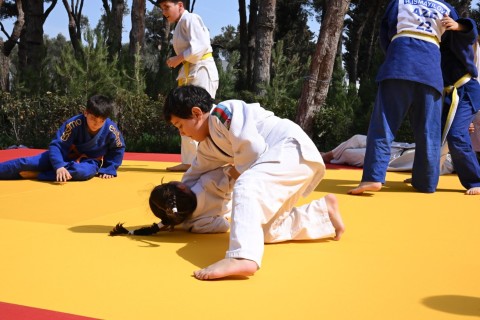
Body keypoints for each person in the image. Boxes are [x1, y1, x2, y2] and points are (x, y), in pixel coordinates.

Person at [163, 85, 345, 280]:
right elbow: (193, 175)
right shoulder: (208, 147)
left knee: (246, 184)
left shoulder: (223, 113)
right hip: (287, 162)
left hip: (290, 148)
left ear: (196, 113)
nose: (181, 133)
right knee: (263, 231)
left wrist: (232, 173)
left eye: (180, 125)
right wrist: (173, 208)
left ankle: (242, 257)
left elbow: (254, 151)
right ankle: (323, 213)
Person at [348, 0, 458, 195]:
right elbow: (456, 41)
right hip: (431, 71)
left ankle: (373, 178)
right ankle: (426, 182)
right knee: (429, 132)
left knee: (384, 125)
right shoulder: (447, 8)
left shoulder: (398, 2)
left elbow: (386, 33)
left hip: (400, 62)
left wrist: (394, 53)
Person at [0, 95, 125, 182]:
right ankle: (53, 170)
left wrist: (109, 168)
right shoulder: (74, 123)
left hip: (89, 161)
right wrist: (59, 165)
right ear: (85, 113)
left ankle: (39, 174)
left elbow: (118, 147)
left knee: (83, 172)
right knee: (26, 163)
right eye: (93, 119)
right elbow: (57, 145)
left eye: (101, 121)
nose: (96, 123)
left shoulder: (111, 129)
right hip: (64, 155)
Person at [159, 0, 219, 172]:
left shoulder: (190, 19)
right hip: (190, 71)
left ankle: (209, 158)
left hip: (201, 70)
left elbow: (199, 46)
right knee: (184, 113)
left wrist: (178, 58)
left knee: (201, 113)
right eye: (162, 9)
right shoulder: (180, 24)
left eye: (167, 7)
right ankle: (190, 161)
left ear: (179, 5)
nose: (164, 12)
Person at [109, 165, 235, 236]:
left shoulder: (192, 225)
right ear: (180, 186)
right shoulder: (208, 181)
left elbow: (224, 225)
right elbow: (233, 173)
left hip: (235, 209)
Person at [437, 15, 480, 195]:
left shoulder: (457, 36)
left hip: (466, 90)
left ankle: (475, 180)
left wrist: (458, 26)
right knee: (433, 134)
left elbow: (470, 31)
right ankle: (425, 175)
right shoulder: (432, 43)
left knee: (456, 135)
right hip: (448, 94)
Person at [322, 134, 454, 174]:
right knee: (356, 138)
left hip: (389, 159)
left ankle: (331, 157)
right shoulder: (446, 150)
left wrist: (463, 128)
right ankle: (329, 155)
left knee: (348, 154)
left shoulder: (445, 164)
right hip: (396, 146)